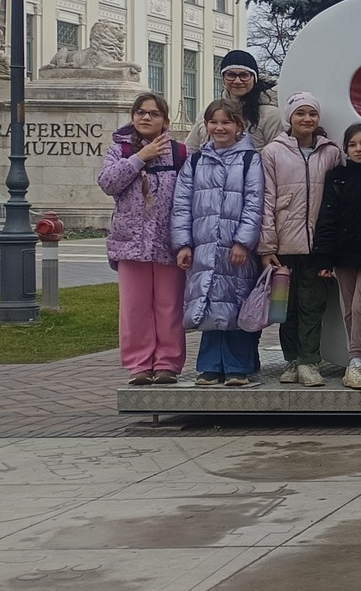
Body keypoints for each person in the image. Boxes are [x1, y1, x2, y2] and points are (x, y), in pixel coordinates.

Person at [173, 99, 265, 386]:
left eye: (226, 122)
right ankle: (210, 366)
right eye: (214, 122)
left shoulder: (250, 160)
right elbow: (181, 204)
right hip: (203, 246)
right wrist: (183, 243)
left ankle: (238, 366)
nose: (220, 127)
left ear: (238, 126)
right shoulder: (195, 161)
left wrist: (243, 242)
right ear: (206, 125)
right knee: (208, 301)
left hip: (235, 249)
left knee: (236, 302)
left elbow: (254, 203)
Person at [98, 91, 188, 384]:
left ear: (165, 120)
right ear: (133, 117)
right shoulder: (120, 150)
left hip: (167, 243)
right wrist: (139, 158)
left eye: (154, 113)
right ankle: (139, 364)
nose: (146, 117)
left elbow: (189, 196)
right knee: (134, 308)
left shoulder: (180, 153)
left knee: (169, 306)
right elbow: (107, 183)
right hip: (130, 243)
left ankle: (167, 363)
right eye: (141, 112)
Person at [256, 92, 342, 387]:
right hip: (284, 245)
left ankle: (309, 361)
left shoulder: (330, 152)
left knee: (312, 305)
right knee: (286, 307)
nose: (307, 119)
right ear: (289, 117)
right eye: (300, 113)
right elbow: (266, 200)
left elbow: (336, 201)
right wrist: (267, 246)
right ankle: (292, 358)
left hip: (318, 245)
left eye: (312, 114)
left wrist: (331, 246)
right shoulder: (272, 152)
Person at [313, 122, 361, 389]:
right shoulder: (337, 176)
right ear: (345, 149)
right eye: (353, 145)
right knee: (349, 310)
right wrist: (324, 257)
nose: (358, 149)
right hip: (343, 254)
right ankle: (359, 360)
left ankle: (356, 360)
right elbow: (327, 216)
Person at [185, 48, 282, 152]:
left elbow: (279, 155)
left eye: (244, 75)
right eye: (231, 75)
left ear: (254, 78)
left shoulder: (271, 115)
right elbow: (189, 152)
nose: (237, 81)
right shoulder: (206, 114)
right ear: (223, 78)